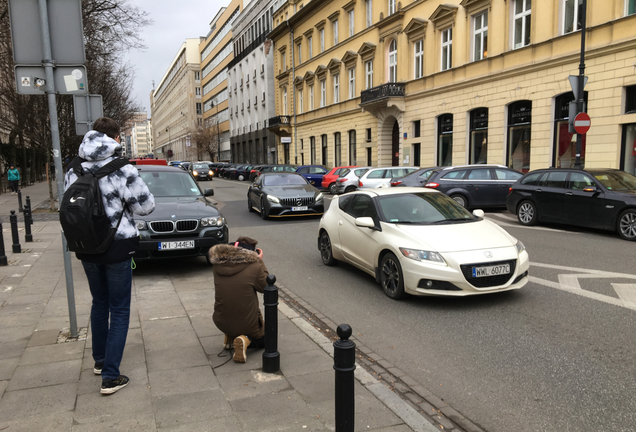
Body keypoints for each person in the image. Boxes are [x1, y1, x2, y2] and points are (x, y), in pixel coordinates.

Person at [64, 117, 155, 395]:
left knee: (99, 302)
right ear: (116, 138)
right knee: (120, 308)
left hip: (85, 245)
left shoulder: (74, 167)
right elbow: (146, 207)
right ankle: (110, 376)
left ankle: (100, 360)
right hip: (116, 246)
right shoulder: (122, 168)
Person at [208, 236, 268, 363]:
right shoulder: (254, 267)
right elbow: (268, 288)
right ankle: (245, 339)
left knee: (232, 309)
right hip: (247, 324)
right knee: (266, 339)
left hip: (221, 320)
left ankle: (230, 336)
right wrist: (260, 262)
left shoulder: (217, 266)